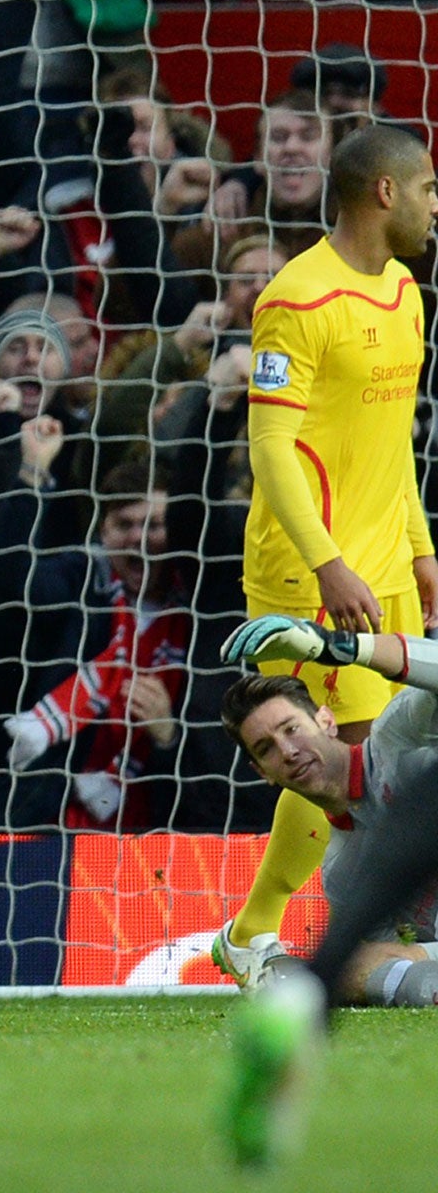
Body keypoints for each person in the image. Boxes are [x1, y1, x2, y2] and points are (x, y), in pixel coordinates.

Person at [215, 124, 438, 992]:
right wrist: (326, 564)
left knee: (379, 759)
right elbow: (270, 450)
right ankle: (260, 932)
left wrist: (419, 547)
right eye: (426, 190)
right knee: (339, 751)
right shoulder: (294, 299)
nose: (434, 206)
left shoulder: (407, 292)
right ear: (384, 193)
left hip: (386, 554)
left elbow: (391, 441)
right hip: (307, 564)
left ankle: (355, 936)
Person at [216, 616, 438, 1165]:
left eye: (292, 729)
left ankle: (292, 990)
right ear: (263, 774)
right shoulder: (341, 872)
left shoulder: (396, 735)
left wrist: (342, 648)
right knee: (364, 970)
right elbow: (393, 968)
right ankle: (294, 994)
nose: (287, 750)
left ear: (326, 719)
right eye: (267, 748)